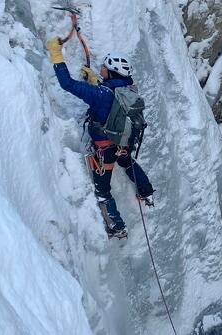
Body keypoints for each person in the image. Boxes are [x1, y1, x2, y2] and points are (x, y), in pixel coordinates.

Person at [46, 37, 154, 239]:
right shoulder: (129, 89)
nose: (101, 68)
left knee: (102, 190)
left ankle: (117, 227)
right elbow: (111, 98)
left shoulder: (100, 94)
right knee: (127, 162)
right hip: (124, 143)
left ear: (112, 71)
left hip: (104, 149)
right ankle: (146, 191)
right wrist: (95, 81)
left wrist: (56, 55)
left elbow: (67, 84)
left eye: (104, 66)